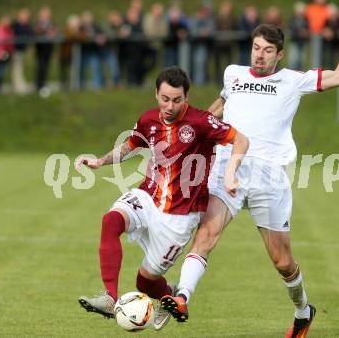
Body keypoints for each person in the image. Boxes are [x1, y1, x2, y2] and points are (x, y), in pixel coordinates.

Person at [161, 4, 339, 338]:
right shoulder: (233, 74)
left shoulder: (294, 81)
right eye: (256, 48)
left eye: (268, 51)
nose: (260, 55)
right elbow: (220, 108)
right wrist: (194, 134)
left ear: (279, 55)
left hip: (270, 175)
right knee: (207, 235)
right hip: (230, 167)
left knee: (283, 262)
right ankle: (182, 297)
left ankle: (302, 310)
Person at [76, 66, 249, 331]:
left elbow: (241, 140)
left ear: (186, 98)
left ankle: (169, 294)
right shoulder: (148, 120)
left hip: (180, 217)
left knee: (144, 283)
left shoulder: (201, 122)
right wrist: (100, 161)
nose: (169, 105)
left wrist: (230, 173)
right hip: (148, 197)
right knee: (111, 221)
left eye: (176, 100)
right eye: (165, 98)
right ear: (156, 93)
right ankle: (110, 298)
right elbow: (130, 146)